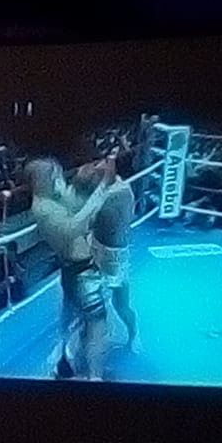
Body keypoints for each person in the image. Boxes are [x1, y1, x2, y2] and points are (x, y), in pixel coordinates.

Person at [25, 158, 114, 380]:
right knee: (97, 324)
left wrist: (85, 180)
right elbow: (74, 228)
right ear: (45, 180)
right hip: (81, 271)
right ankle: (95, 378)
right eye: (56, 175)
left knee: (76, 320)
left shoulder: (51, 199)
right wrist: (102, 187)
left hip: (74, 269)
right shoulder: (44, 208)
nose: (60, 178)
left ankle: (65, 363)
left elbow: (76, 205)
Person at [83, 148, 140, 354]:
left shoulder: (118, 192)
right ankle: (89, 340)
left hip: (114, 255)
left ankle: (134, 336)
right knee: (89, 299)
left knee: (120, 304)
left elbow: (90, 218)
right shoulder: (106, 187)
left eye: (105, 161)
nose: (99, 164)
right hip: (96, 246)